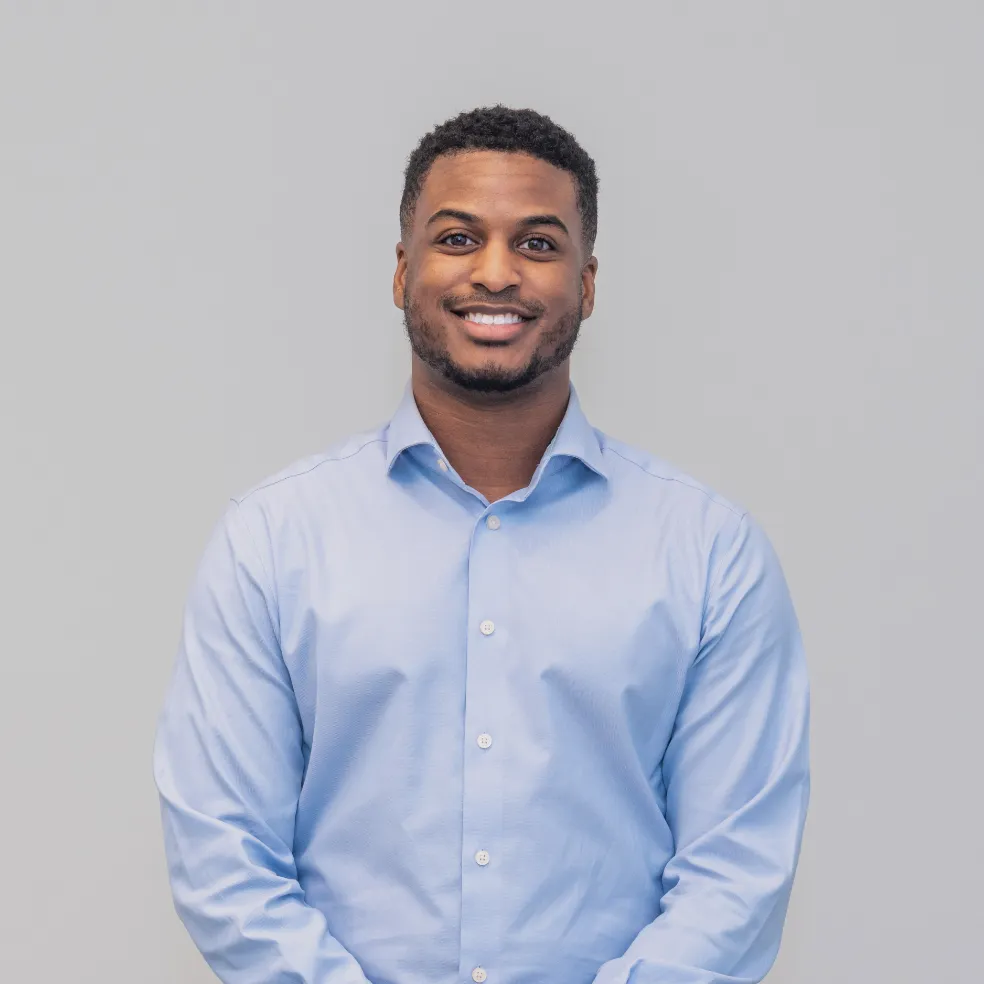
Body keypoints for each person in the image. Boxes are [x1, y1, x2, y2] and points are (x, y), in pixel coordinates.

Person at [153, 105, 810, 984]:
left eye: (537, 244)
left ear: (586, 283)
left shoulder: (710, 553)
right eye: (458, 239)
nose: (495, 273)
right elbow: (223, 854)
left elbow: (737, 871)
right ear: (402, 271)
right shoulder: (272, 541)